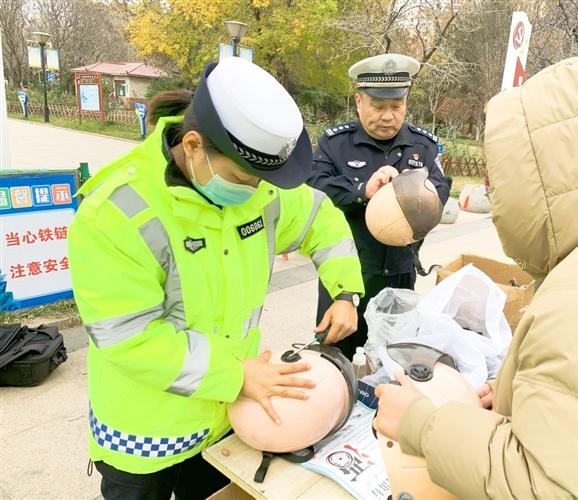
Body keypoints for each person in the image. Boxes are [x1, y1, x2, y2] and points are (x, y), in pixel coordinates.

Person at [68, 57, 364, 500]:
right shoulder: (114, 213)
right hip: (147, 433)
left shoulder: (257, 190)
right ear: (192, 146)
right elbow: (131, 337)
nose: (254, 190)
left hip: (224, 419)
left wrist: (344, 291)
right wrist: (237, 375)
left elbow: (322, 218)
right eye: (244, 178)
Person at [373, 50, 578, 498]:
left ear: (545, 171)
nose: (493, 185)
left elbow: (549, 488)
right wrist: (515, 390)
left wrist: (422, 423)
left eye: (502, 170)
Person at [308, 53, 452, 359]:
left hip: (400, 276)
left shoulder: (422, 146)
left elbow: (440, 188)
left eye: (396, 106)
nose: (388, 116)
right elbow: (315, 189)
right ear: (359, 101)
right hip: (347, 277)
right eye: (378, 106)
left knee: (393, 361)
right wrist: (363, 191)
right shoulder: (335, 144)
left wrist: (410, 194)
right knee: (335, 360)